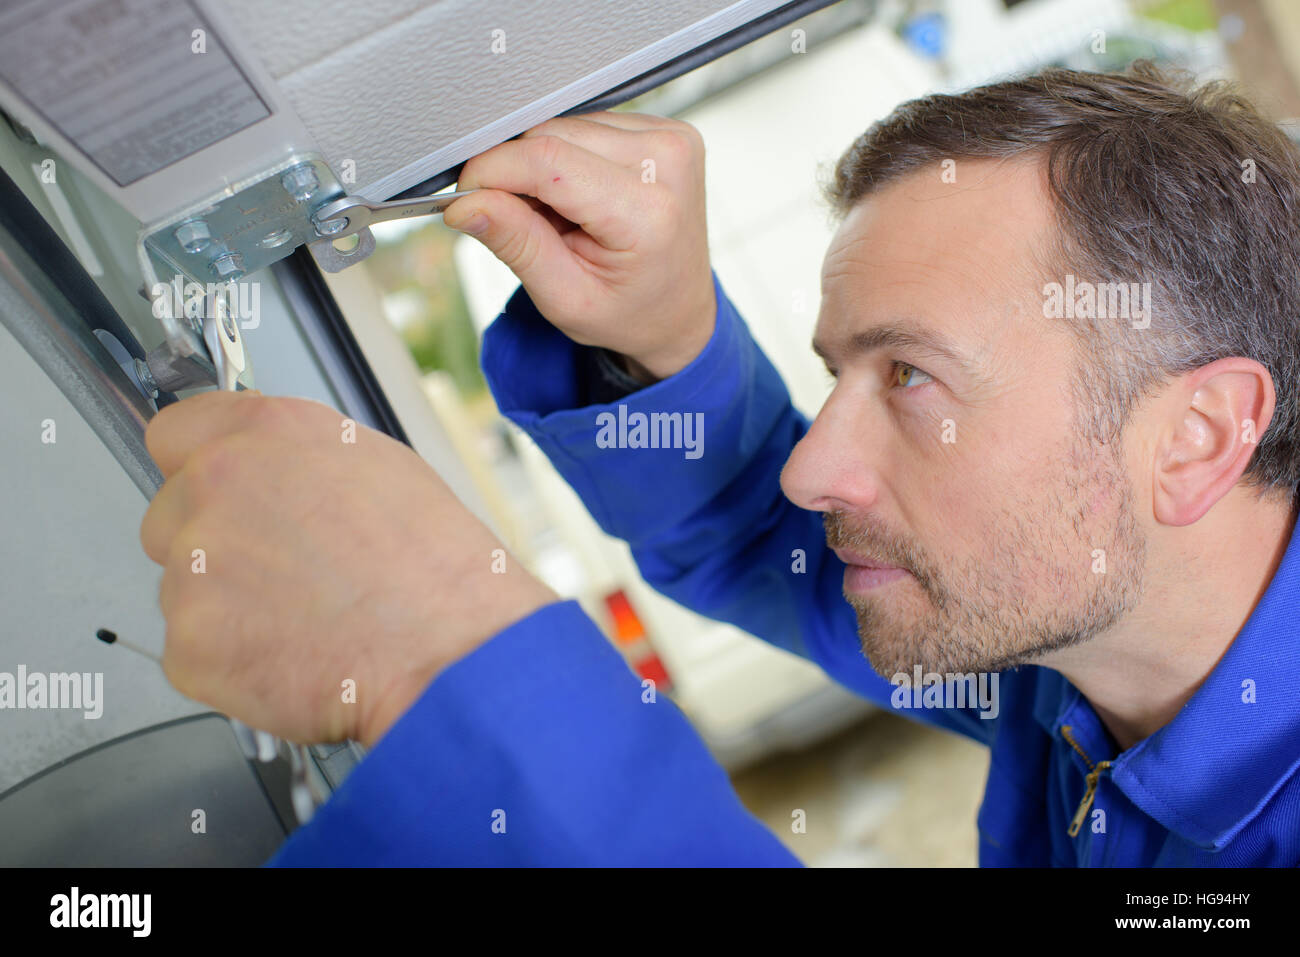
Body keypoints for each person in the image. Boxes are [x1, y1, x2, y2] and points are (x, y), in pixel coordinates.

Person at [140, 63, 1300, 866]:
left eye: (907, 376)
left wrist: (448, 666)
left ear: (1195, 436)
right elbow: (769, 538)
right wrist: (656, 336)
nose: (813, 471)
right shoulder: (1069, 673)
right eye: (840, 372)